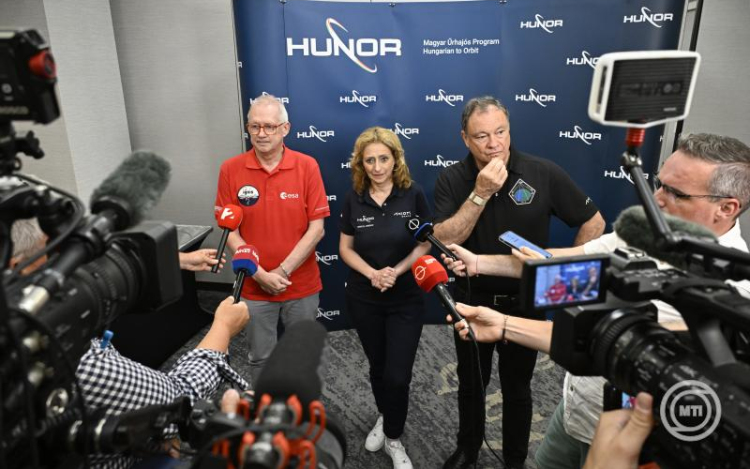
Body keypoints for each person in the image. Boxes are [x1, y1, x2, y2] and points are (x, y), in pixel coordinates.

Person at [443, 133, 750, 468]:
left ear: (726, 207)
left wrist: (504, 325)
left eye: (676, 193)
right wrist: (478, 263)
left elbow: (603, 339)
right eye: (659, 184)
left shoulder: (730, 293)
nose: (657, 199)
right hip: (576, 407)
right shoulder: (646, 230)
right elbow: (570, 265)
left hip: (627, 438)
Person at [433, 96, 605, 469]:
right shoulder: (452, 178)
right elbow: (444, 240)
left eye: (500, 132)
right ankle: (468, 450)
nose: (494, 144)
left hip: (525, 301)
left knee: (517, 387)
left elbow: (594, 222)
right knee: (471, 383)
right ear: (465, 138)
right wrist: (480, 192)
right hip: (472, 300)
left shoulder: (541, 172)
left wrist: (560, 275)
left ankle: (514, 461)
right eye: (482, 136)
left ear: (509, 129)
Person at [8, 217, 250, 469]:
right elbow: (179, 401)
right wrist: (223, 327)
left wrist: (178, 259)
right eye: (52, 251)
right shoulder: (64, 357)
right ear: (18, 267)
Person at [214, 94, 330, 385]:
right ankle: (266, 412)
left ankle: (302, 410)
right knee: (260, 358)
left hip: (300, 285)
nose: (261, 133)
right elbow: (230, 231)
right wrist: (260, 274)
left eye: (269, 126)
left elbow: (317, 229)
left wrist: (282, 271)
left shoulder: (307, 166)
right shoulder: (230, 169)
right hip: (253, 286)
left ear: (285, 128)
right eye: (254, 126)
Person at [338, 127, 431, 469]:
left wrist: (396, 270)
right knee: (378, 366)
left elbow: (425, 244)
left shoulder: (413, 194)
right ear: (360, 164)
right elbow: (345, 249)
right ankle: (385, 413)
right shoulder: (354, 197)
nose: (377, 167)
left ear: (396, 160)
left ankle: (393, 437)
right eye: (370, 160)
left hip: (405, 297)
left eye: (383, 159)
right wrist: (373, 274)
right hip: (365, 298)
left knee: (398, 375)